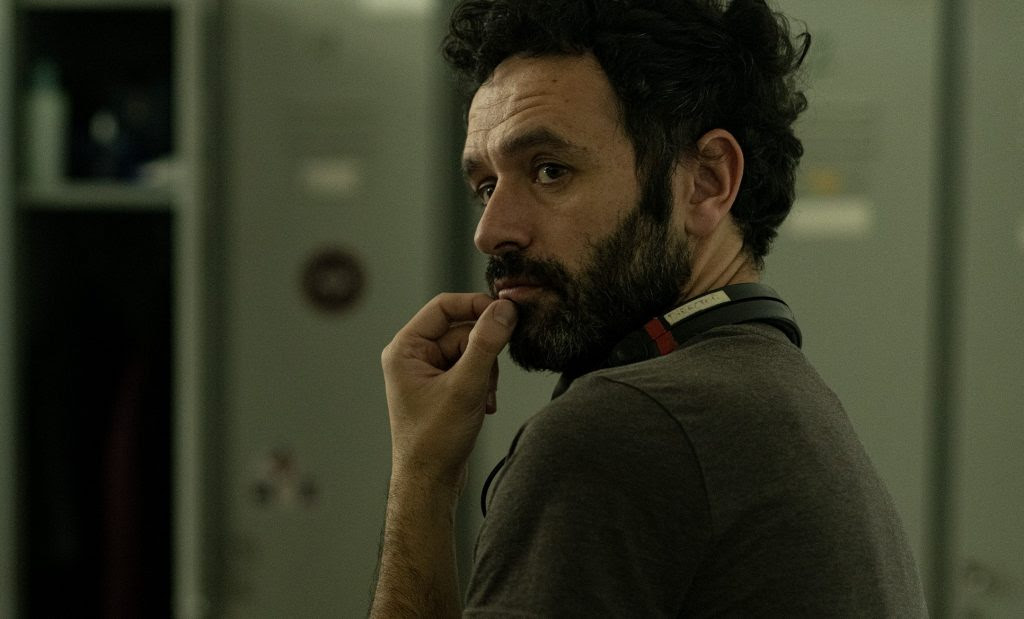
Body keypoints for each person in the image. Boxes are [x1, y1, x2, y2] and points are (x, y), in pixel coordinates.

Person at [371, 0, 927, 616]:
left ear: (706, 181)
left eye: (550, 171)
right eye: (486, 187)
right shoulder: (781, 398)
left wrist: (420, 480)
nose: (491, 231)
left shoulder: (619, 431)